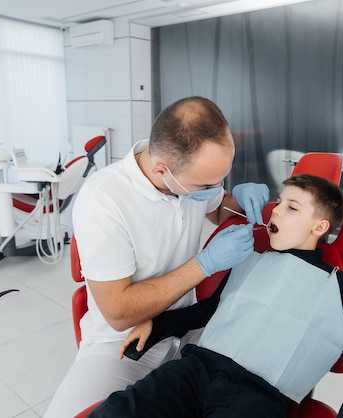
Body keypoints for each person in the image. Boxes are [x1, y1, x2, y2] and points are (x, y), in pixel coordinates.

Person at [44, 96, 269, 417]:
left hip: (192, 327)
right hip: (122, 343)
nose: (216, 188)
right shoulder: (103, 201)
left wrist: (236, 199)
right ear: (162, 171)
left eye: (221, 179)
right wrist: (204, 264)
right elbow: (119, 313)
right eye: (207, 183)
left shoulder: (185, 178)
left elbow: (218, 205)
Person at [88, 174, 343, 418]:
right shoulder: (249, 260)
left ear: (319, 227)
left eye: (291, 208)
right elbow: (208, 310)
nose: (276, 210)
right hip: (194, 369)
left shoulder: (336, 285)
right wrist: (157, 324)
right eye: (278, 202)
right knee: (119, 410)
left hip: (257, 393)